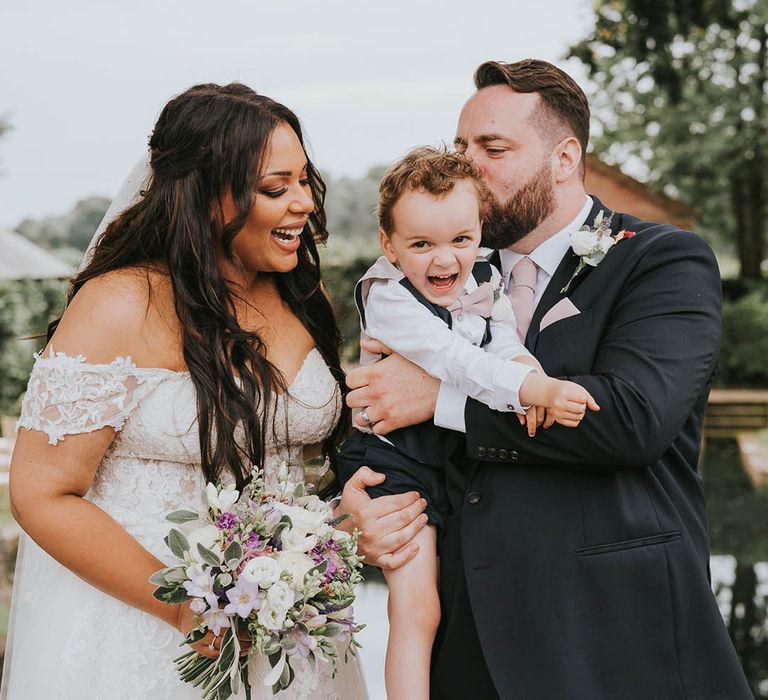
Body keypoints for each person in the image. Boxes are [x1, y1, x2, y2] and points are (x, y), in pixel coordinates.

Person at [346, 59, 753, 699]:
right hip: (470, 645)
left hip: (614, 639)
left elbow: (631, 420)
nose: (467, 165)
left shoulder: (661, 260)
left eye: (492, 148)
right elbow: (381, 419)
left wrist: (441, 399)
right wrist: (364, 512)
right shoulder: (436, 273)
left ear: (565, 159)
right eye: (460, 147)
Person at [2, 82, 373, 700]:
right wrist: (184, 611)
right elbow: (41, 492)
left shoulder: (300, 291)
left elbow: (293, 460)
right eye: (275, 188)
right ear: (205, 197)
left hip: (290, 632)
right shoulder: (118, 305)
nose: (304, 203)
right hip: (146, 630)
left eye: (305, 181)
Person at [335, 146, 598, 700]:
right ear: (388, 244)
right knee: (418, 607)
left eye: (460, 239)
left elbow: (501, 339)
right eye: (421, 244)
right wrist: (534, 390)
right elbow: (458, 363)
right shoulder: (388, 297)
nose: (445, 260)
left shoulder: (482, 275)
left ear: (480, 231)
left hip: (448, 456)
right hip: (394, 459)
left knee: (456, 599)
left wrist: (529, 370)